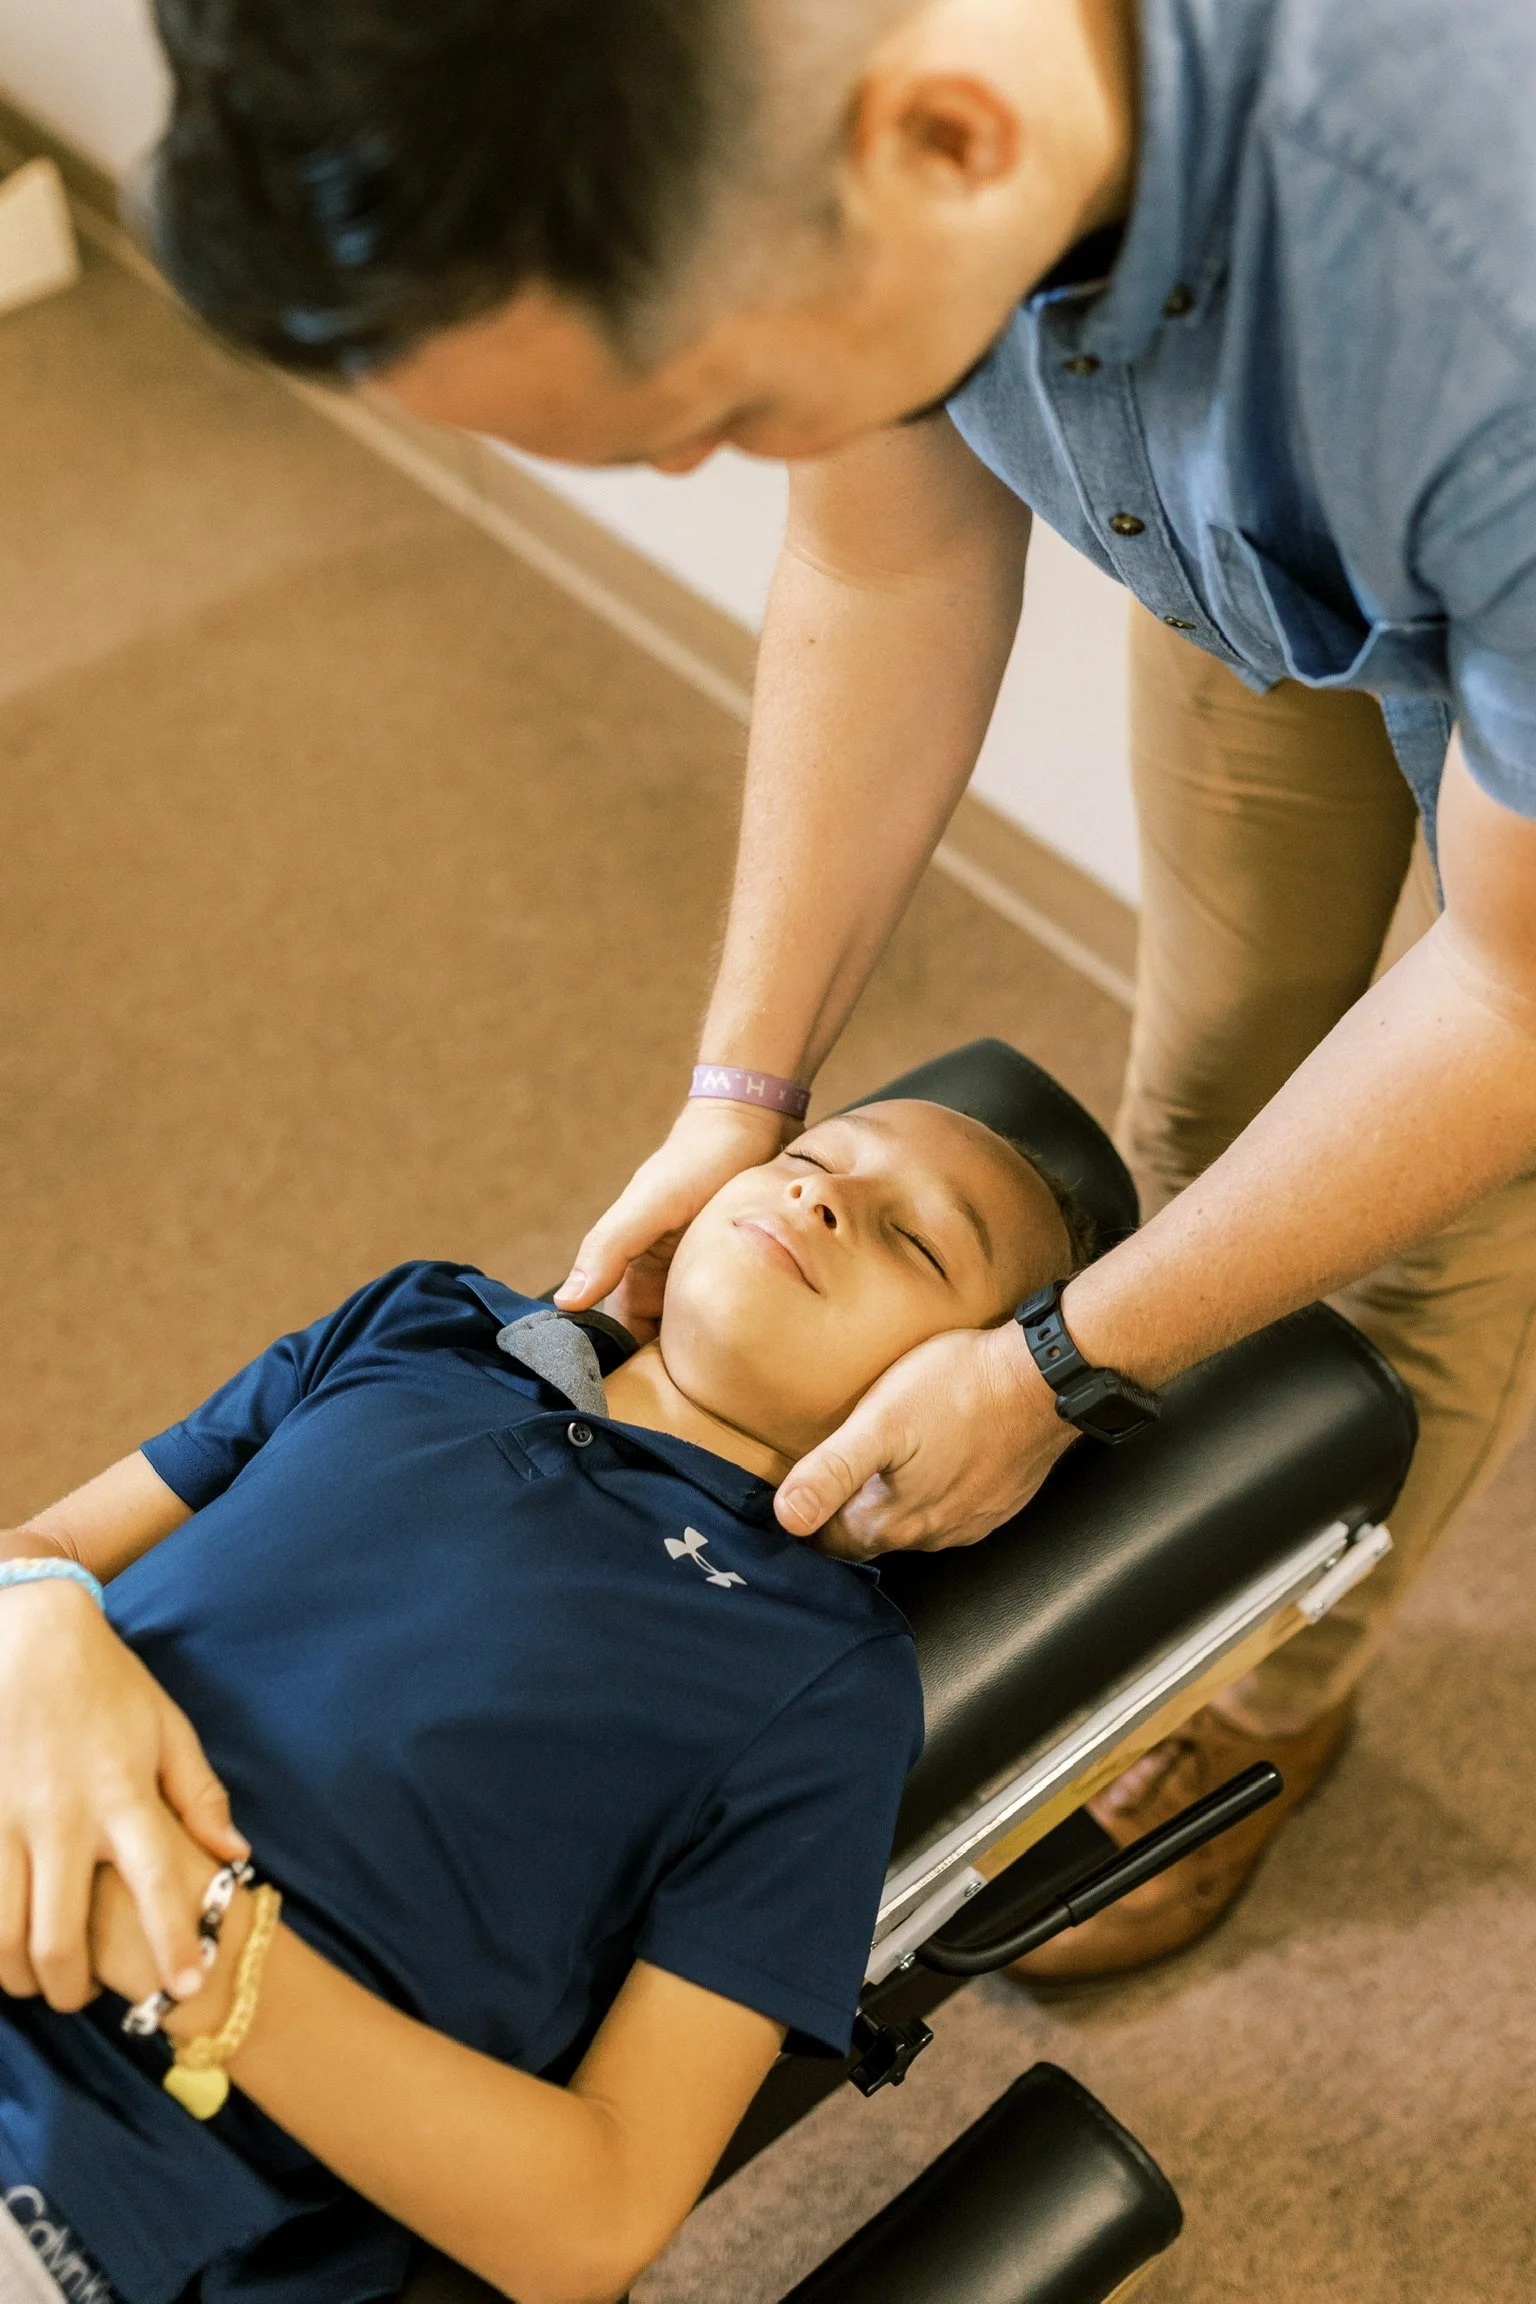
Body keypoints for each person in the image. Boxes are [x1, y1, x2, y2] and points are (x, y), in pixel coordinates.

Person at [138, 0, 1536, 1972]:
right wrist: (743, 1088)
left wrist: (1057, 1367)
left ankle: (1268, 1685)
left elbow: (1508, 1002)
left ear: (952, 145)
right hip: (1319, 498)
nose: (720, 458)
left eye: (720, 399)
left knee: (1440, 1214)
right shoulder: (809, 111)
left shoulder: (1487, 278)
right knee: (1215, 1104)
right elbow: (887, 566)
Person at [0, 1100, 1074, 2304]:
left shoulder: (825, 1676)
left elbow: (598, 2217)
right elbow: (45, 1545)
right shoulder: (424, 1321)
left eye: (914, 1240)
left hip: (89, 2181)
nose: (819, 1197)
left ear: (968, 1416)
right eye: (807, 1161)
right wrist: (40, 1629)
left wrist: (196, 1952)